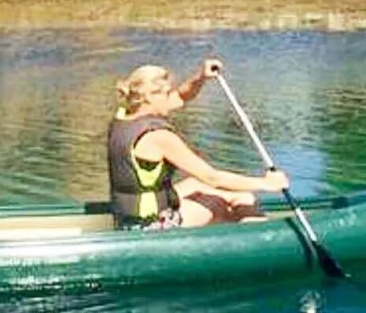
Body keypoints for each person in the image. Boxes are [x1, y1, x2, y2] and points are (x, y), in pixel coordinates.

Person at [108, 59, 289, 229]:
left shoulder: (124, 115)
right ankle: (255, 241)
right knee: (220, 203)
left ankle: (244, 214)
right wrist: (266, 183)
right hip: (148, 226)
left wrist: (201, 76)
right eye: (166, 93)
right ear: (149, 97)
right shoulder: (159, 136)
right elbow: (213, 178)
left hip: (128, 217)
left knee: (201, 186)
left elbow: (181, 96)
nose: (171, 96)